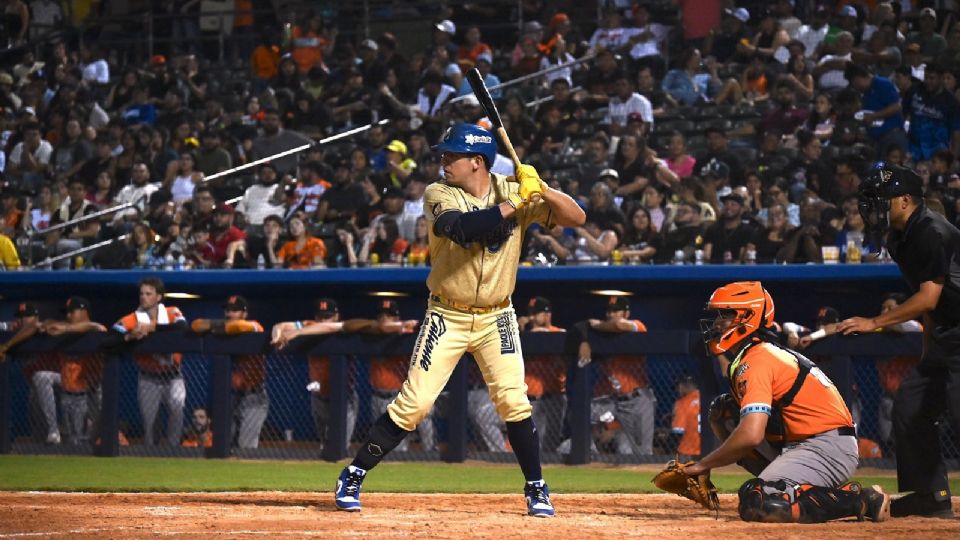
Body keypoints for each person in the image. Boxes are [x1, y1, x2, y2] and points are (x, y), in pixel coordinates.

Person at [334, 123, 585, 516]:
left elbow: (577, 218)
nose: (444, 161)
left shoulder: (513, 188)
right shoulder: (440, 193)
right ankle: (353, 473)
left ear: (477, 162)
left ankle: (536, 487)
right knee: (415, 404)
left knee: (514, 401)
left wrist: (543, 188)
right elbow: (462, 229)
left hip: (497, 316)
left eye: (452, 155)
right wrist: (518, 201)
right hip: (447, 313)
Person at [689, 281, 889, 523]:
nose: (718, 323)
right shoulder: (756, 353)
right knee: (724, 411)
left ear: (748, 317)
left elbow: (751, 435)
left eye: (726, 314)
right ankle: (791, 485)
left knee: (759, 501)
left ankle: (861, 500)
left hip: (826, 446)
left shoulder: (758, 359)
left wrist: (702, 465)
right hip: (805, 443)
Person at [837, 164, 960, 518]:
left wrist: (873, 322)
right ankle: (930, 496)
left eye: (881, 200)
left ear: (904, 200)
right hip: (947, 334)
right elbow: (932, 304)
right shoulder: (899, 237)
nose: (873, 208)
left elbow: (928, 298)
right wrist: (928, 351)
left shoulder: (932, 230)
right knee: (909, 405)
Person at [109, 277, 188, 446]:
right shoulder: (133, 318)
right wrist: (129, 336)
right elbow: (110, 338)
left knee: (177, 408)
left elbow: (183, 328)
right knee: (150, 423)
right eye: (141, 294)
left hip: (173, 375)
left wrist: (154, 327)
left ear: (159, 297)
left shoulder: (171, 312)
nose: (143, 297)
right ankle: (151, 452)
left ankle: (174, 448)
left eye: (148, 294)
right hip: (148, 377)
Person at [271, 298, 357, 451]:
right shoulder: (309, 325)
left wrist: (297, 332)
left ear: (336, 316)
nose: (323, 320)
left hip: (344, 398)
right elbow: (280, 325)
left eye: (327, 316)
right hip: (319, 397)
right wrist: (277, 336)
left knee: (340, 447)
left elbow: (328, 328)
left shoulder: (343, 327)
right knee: (325, 447)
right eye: (320, 317)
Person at [576, 296, 655, 456]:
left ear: (626, 313)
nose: (611, 314)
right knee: (581, 416)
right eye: (609, 311)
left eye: (616, 311)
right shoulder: (601, 336)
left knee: (642, 453)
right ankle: (590, 457)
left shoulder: (638, 326)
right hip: (611, 401)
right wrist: (584, 341)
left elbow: (618, 325)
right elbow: (580, 326)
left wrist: (595, 324)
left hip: (636, 399)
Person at [191, 295, 267, 449]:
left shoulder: (255, 326)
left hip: (254, 396)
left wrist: (216, 328)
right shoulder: (223, 332)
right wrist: (222, 327)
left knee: (246, 446)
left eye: (234, 310)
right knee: (223, 443)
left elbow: (238, 327)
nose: (229, 313)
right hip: (230, 396)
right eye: (227, 310)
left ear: (244, 314)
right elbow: (196, 325)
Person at [40, 297, 107, 446]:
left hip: (91, 393)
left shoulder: (94, 330)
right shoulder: (63, 331)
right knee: (41, 377)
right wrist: (52, 325)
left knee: (86, 441)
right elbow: (46, 323)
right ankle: (53, 432)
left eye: (72, 312)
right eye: (67, 312)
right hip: (68, 389)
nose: (68, 315)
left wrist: (65, 328)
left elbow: (97, 327)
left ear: (84, 312)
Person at [516, 297, 566, 452]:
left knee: (548, 445)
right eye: (530, 313)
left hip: (552, 398)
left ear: (547, 315)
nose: (531, 317)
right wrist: (519, 329)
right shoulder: (524, 334)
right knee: (529, 445)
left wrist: (536, 334)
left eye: (535, 313)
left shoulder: (560, 333)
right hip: (528, 399)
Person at [670, 375, 700, 461]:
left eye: (677, 388)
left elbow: (678, 431)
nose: (677, 391)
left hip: (689, 450)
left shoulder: (682, 403)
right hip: (709, 448)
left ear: (681, 386)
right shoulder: (708, 399)